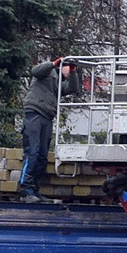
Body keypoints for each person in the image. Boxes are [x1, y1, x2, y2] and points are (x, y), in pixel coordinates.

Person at [19, 58, 80, 199]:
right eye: (68, 67)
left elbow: (73, 88)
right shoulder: (48, 72)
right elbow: (35, 71)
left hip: (47, 116)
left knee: (42, 156)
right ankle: (25, 189)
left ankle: (34, 189)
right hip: (34, 113)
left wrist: (73, 71)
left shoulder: (59, 82)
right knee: (32, 152)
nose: (68, 70)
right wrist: (54, 63)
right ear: (61, 65)